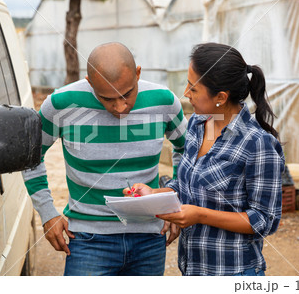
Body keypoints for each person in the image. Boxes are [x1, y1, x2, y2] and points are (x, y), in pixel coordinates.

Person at [23, 42, 186, 276]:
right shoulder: (61, 104)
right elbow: (30, 157)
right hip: (87, 241)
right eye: (107, 99)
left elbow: (188, 151)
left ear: (138, 73)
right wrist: (48, 213)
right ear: (90, 83)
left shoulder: (164, 101)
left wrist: (172, 201)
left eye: (127, 94)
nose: (120, 107)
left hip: (149, 239)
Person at [124, 43, 284, 276]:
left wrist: (199, 215)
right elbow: (184, 186)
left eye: (193, 88)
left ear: (220, 97)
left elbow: (264, 221)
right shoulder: (197, 125)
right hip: (194, 270)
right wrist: (154, 194)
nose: (186, 94)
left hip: (234, 272)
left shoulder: (257, 144)